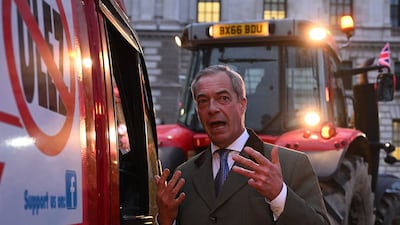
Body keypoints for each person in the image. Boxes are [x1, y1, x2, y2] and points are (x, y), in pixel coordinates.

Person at [154, 65, 329, 225]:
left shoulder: (292, 164)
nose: (212, 108)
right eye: (203, 101)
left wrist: (279, 195)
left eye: (223, 98)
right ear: (198, 112)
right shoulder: (184, 175)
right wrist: (166, 220)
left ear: (242, 104)